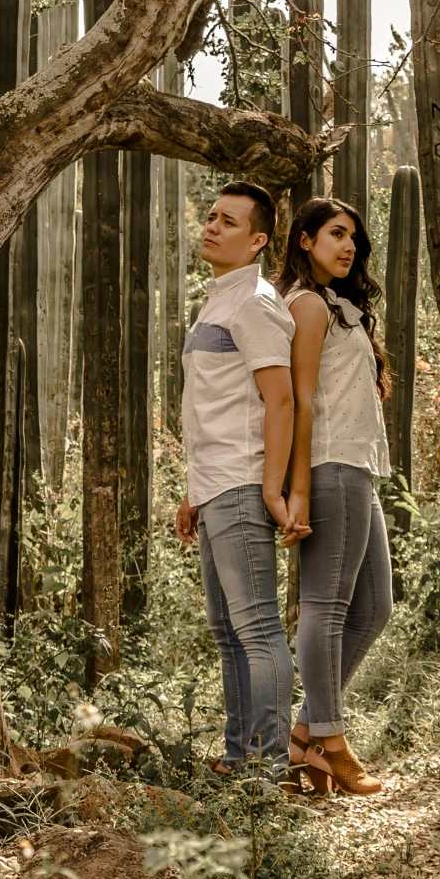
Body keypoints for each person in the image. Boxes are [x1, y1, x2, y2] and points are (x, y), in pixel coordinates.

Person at [273, 198, 395, 796]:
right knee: (327, 603)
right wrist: (298, 489)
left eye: (354, 238)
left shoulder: (339, 305)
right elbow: (298, 400)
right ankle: (331, 739)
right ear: (303, 240)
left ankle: (304, 735)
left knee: (374, 607)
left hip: (356, 465)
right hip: (327, 464)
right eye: (336, 234)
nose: (348, 247)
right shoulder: (308, 305)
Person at [174, 181, 297, 779]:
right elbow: (214, 406)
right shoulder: (218, 300)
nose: (213, 226)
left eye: (228, 222)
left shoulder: (255, 303)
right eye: (212, 216)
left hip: (244, 484)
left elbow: (280, 402)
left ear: (257, 241)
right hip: (214, 485)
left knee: (256, 626)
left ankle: (270, 768)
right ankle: (239, 757)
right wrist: (192, 491)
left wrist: (270, 490)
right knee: (228, 632)